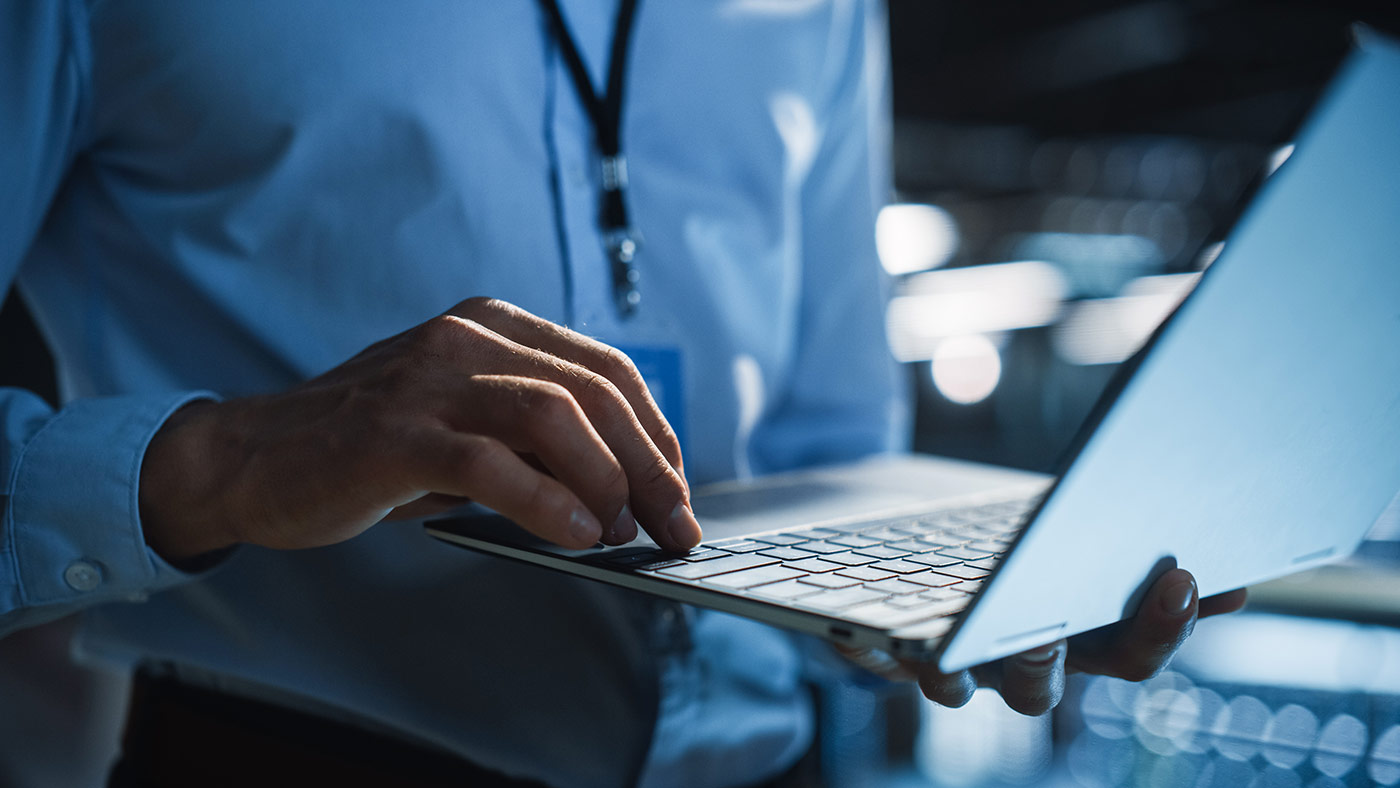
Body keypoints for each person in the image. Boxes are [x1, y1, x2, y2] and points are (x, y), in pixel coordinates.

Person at [0, 1, 1244, 786]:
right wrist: (225, 464)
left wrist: (958, 598)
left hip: (774, 763)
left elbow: (831, 441)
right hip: (295, 754)